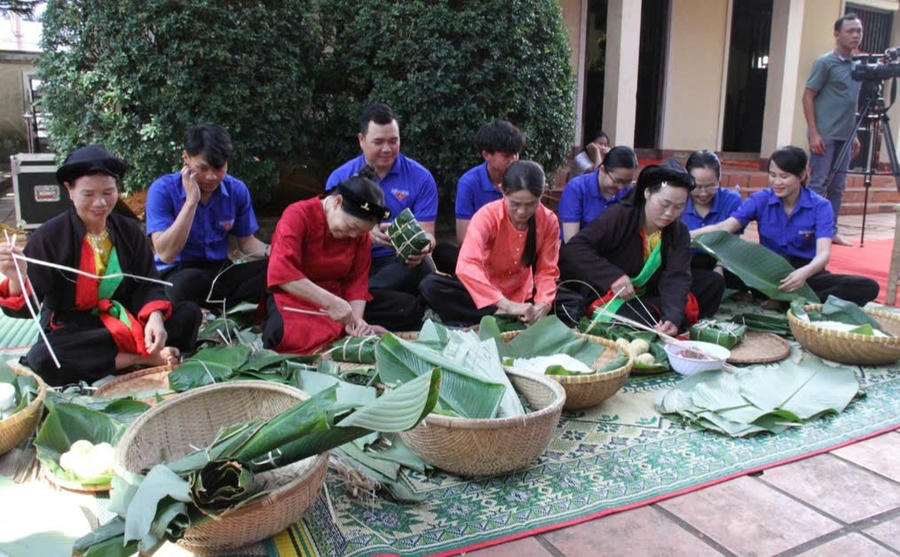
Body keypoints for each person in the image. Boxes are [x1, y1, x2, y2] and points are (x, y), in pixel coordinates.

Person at [0, 146, 201, 386]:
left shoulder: (128, 230)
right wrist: (17, 278)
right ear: (69, 190)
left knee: (189, 314)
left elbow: (147, 283)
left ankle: (126, 354)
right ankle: (142, 358)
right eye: (88, 194)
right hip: (75, 326)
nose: (100, 202)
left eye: (108, 192)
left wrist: (155, 318)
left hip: (126, 314)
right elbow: (26, 309)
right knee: (44, 357)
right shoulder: (48, 237)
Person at [690, 146, 878, 307]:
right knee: (717, 272)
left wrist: (803, 273)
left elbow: (823, 254)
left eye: (784, 176)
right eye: (772, 175)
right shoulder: (761, 199)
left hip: (804, 273)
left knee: (867, 287)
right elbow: (725, 227)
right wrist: (686, 234)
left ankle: (788, 301)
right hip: (766, 272)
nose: (777, 182)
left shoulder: (820, 206)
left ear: (802, 175)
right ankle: (793, 300)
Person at [263, 167, 422, 353]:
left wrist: (355, 322)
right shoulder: (298, 214)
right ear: (337, 202)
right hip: (298, 295)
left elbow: (357, 281)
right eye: (351, 226)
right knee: (279, 334)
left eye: (361, 232)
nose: (354, 235)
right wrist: (331, 303)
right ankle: (334, 330)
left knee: (407, 308)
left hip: (340, 299)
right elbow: (281, 272)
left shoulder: (359, 236)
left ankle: (343, 329)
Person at [559, 159, 724, 336]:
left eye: (679, 207)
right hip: (610, 292)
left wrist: (672, 317)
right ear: (647, 193)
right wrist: (613, 276)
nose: (669, 213)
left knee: (712, 284)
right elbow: (574, 249)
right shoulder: (620, 216)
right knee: (642, 317)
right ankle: (655, 316)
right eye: (664, 204)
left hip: (650, 289)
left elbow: (676, 276)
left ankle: (664, 320)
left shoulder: (678, 231)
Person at [145, 123, 270, 311]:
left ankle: (226, 308)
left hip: (218, 271)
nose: (211, 177)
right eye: (202, 168)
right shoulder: (162, 190)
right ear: (186, 158)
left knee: (275, 270)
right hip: (176, 272)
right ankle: (213, 308)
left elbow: (247, 243)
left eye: (219, 168)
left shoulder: (236, 190)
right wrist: (191, 202)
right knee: (182, 286)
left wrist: (272, 252)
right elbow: (166, 254)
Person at [420, 161, 560, 327]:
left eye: (531, 204)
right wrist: (506, 305)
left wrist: (543, 304)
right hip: (488, 295)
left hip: (524, 296)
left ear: (542, 195)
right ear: (502, 191)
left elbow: (547, 270)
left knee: (570, 302)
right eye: (515, 204)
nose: (522, 212)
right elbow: (467, 265)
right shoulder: (487, 216)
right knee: (431, 286)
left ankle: (504, 316)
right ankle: (504, 314)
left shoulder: (549, 220)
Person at [325, 103, 438, 294]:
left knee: (425, 267)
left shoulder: (421, 177)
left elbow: (428, 234)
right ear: (361, 140)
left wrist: (423, 246)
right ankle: (372, 298)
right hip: (352, 259)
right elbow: (330, 235)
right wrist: (365, 233)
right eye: (378, 142)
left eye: (393, 141)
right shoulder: (340, 178)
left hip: (397, 262)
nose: (387, 149)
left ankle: (359, 296)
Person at [432, 120, 526, 273]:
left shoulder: (524, 180)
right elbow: (464, 239)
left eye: (516, 154)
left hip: (516, 253)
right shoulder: (469, 182)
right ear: (486, 155)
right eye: (507, 156)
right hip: (483, 255)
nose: (514, 160)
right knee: (442, 252)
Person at [802, 13, 863, 246]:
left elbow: (852, 102)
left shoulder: (858, 66)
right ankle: (810, 230)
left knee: (839, 185)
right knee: (818, 183)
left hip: (845, 136)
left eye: (858, 31)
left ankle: (831, 230)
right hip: (825, 133)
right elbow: (808, 96)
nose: (855, 35)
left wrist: (854, 134)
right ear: (837, 34)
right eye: (850, 31)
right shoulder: (825, 63)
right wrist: (814, 132)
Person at [680, 150, 742, 274]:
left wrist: (720, 267)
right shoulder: (679, 200)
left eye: (710, 186)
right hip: (685, 262)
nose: (703, 193)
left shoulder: (731, 201)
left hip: (723, 260)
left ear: (719, 180)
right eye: (697, 187)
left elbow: (732, 241)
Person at [558, 145, 638, 242]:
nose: (621, 187)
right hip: (580, 248)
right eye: (617, 181)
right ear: (602, 170)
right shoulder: (576, 189)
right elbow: (571, 241)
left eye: (627, 182)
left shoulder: (629, 191)